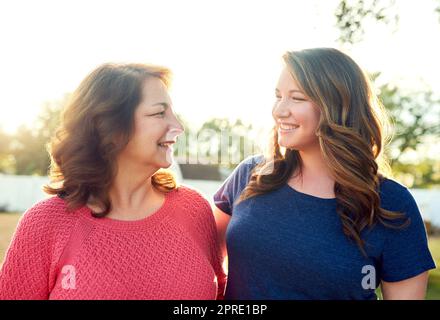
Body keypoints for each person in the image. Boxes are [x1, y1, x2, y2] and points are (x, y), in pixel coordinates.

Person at [213, 48, 436, 300]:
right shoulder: (251, 174)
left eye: (296, 98)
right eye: (278, 96)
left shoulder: (391, 203)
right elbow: (202, 259)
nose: (279, 110)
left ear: (336, 107)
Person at [0, 63, 225, 300]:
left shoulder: (195, 210)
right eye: (160, 113)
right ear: (111, 128)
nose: (178, 127)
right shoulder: (45, 224)